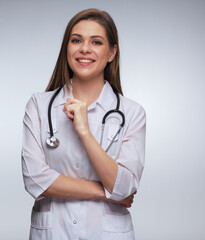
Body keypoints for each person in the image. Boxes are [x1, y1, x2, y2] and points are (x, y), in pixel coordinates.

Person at [21, 8, 146, 240]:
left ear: (111, 52)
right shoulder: (38, 105)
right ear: (67, 48)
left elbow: (125, 186)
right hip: (52, 232)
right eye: (76, 40)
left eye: (96, 42)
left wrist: (85, 132)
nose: (84, 49)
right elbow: (35, 179)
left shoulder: (132, 113)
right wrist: (104, 192)